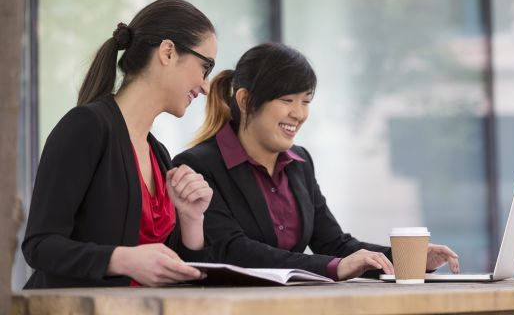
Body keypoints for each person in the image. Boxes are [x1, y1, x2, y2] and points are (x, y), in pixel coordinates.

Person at [173, 43, 460, 281]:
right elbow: (232, 251)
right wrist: (331, 267)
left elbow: (334, 243)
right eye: (287, 100)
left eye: (306, 101)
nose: (298, 113)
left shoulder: (300, 162)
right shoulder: (198, 165)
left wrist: (410, 258)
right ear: (246, 101)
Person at [22, 0, 218, 288]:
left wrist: (191, 219)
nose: (205, 86)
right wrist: (122, 259)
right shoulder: (86, 127)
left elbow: (176, 271)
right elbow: (39, 245)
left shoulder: (159, 154)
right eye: (205, 67)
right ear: (167, 52)